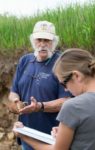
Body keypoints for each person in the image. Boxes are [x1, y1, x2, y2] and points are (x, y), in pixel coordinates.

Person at [13, 48, 95, 150]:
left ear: (77, 76)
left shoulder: (73, 106)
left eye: (64, 83)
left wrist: (25, 137)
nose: (65, 89)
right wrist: (67, 132)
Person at [8, 21, 72, 150]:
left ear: (54, 42)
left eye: (47, 40)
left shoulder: (62, 63)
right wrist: (15, 102)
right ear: (33, 40)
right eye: (39, 39)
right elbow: (14, 92)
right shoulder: (25, 60)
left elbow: (67, 101)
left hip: (53, 136)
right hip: (26, 132)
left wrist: (40, 106)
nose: (42, 44)